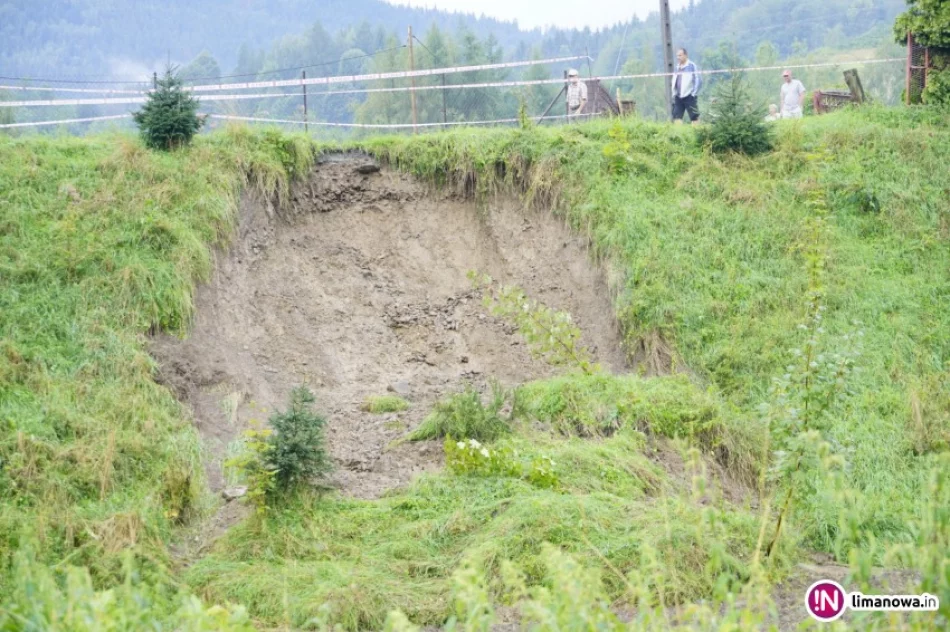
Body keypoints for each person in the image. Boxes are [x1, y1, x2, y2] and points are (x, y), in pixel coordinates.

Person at [671, 48, 701, 124]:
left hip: (689, 96)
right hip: (678, 95)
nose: (678, 57)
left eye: (680, 55)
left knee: (694, 116)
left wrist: (693, 94)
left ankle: (697, 132)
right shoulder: (677, 67)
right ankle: (678, 134)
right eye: (677, 56)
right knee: (676, 116)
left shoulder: (691, 66)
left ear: (685, 55)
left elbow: (698, 80)